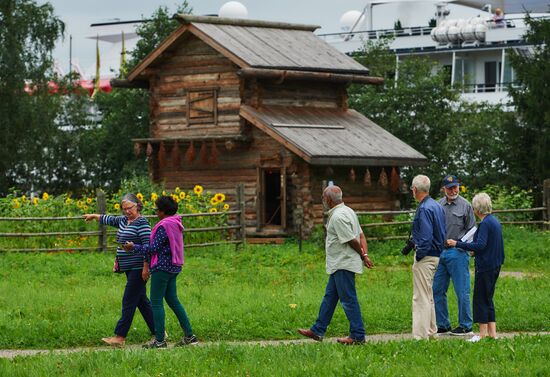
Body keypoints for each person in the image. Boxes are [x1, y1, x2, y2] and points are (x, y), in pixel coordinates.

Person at [298, 185, 373, 345]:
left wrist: (362, 255)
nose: (323, 201)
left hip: (343, 263)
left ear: (329, 200)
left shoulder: (338, 216)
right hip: (339, 264)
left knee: (348, 300)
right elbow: (361, 235)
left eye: (323, 198)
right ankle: (318, 330)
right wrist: (365, 254)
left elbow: (353, 240)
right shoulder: (349, 212)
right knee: (330, 298)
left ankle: (358, 336)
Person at [124, 195, 198, 348]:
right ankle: (189, 336)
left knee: (156, 303)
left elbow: (152, 249)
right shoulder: (176, 222)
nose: (156, 212)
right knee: (173, 300)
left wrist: (134, 247)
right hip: (174, 266)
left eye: (157, 209)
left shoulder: (164, 225)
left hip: (162, 268)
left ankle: (159, 341)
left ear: (163, 211)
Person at [83, 193, 155, 347]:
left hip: (138, 268)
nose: (127, 211)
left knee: (128, 301)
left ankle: (120, 337)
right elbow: (109, 219)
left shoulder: (142, 223)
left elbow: (148, 248)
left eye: (130, 208)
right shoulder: (123, 220)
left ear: (138, 206)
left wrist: (146, 268)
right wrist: (94, 216)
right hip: (128, 268)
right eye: (124, 209)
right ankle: (159, 331)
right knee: (141, 301)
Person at [447, 193, 504, 342]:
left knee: (480, 299)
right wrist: (474, 251)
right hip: (495, 264)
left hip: (485, 266)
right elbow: (488, 244)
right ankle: (492, 334)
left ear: (476, 209)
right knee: (488, 298)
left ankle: (482, 334)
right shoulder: (494, 221)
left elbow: (480, 244)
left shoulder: (485, 223)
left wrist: (457, 244)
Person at [433, 175, 476, 336]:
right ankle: (443, 324)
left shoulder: (466, 205)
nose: (453, 190)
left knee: (462, 290)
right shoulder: (438, 205)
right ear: (444, 189)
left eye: (455, 187)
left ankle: (466, 325)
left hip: (458, 253)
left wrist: (459, 243)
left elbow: (472, 230)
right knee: (437, 289)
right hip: (439, 253)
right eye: (450, 187)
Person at [409, 175, 446, 340]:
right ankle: (431, 332)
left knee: (420, 297)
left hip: (427, 255)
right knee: (428, 295)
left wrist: (419, 255)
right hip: (437, 254)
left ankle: (420, 336)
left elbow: (425, 238)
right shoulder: (436, 205)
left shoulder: (424, 208)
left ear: (415, 190)